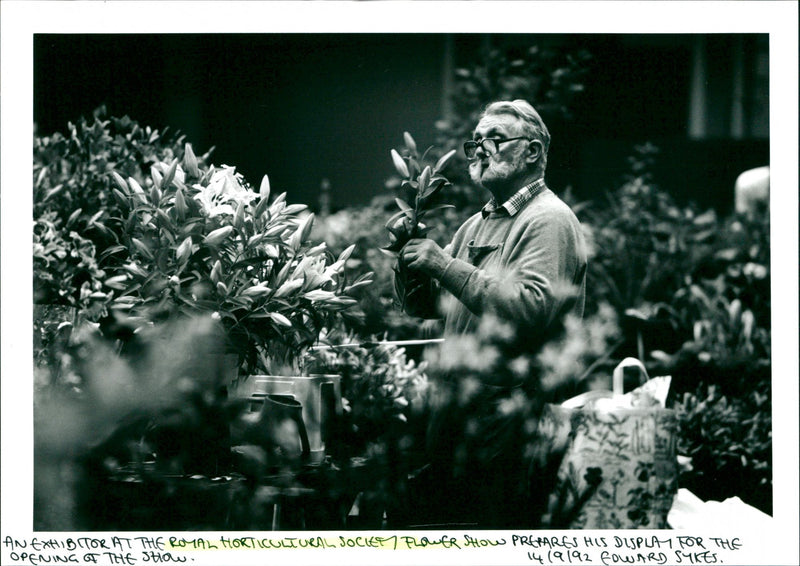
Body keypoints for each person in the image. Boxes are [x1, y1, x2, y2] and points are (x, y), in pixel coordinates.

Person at [396, 99, 588, 528]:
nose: (480, 149)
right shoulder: (475, 224)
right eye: (475, 142)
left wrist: (442, 264)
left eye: (495, 139)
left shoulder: (549, 220)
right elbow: (425, 307)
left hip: (512, 431)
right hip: (463, 424)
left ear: (533, 152)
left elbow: (528, 308)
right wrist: (406, 257)